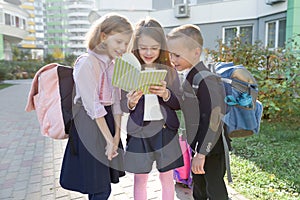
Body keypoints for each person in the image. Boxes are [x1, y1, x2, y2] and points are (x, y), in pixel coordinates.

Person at [59, 13, 133, 200]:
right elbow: (92, 106)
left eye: (126, 43)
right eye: (119, 42)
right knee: (99, 188)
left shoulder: (114, 65)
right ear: (103, 37)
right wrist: (109, 140)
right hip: (89, 125)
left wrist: (116, 136)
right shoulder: (86, 63)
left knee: (102, 185)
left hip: (107, 121)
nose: (123, 48)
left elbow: (116, 102)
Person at [121, 17, 184, 200]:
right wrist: (131, 102)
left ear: (161, 47)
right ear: (136, 46)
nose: (149, 52)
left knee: (166, 178)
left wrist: (166, 94)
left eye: (154, 48)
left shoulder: (170, 69)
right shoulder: (129, 69)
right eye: (143, 47)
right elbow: (122, 105)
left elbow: (178, 103)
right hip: (139, 131)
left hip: (165, 130)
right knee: (140, 179)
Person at [167, 24, 231, 200]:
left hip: (212, 147)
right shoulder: (190, 76)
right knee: (200, 189)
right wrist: (165, 94)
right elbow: (182, 104)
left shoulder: (206, 79)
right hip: (199, 146)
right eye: (171, 54)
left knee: (215, 190)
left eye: (177, 55)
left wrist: (201, 154)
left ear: (195, 52)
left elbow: (214, 119)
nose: (173, 59)